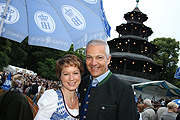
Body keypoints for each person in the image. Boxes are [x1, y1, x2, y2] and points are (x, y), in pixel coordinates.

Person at [78, 39, 137, 120]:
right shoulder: (82, 82)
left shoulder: (123, 89)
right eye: (89, 57)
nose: (93, 63)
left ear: (108, 59)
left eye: (99, 57)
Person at [34, 54, 84, 120]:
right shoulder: (52, 97)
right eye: (66, 74)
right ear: (60, 77)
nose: (71, 78)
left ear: (81, 74)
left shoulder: (82, 97)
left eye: (75, 73)